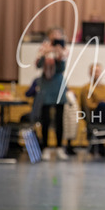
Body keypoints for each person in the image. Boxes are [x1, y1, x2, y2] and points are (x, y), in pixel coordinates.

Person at [36, 27, 68, 161]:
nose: (56, 36)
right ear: (49, 36)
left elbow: (62, 68)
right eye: (53, 34)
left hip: (58, 85)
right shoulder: (44, 48)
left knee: (59, 119)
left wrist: (58, 53)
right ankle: (45, 148)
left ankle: (59, 147)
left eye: (58, 34)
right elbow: (38, 65)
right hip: (46, 85)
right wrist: (45, 53)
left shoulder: (64, 49)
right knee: (45, 119)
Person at [80, 63, 105, 158]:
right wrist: (104, 103)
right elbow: (88, 105)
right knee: (103, 105)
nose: (96, 73)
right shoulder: (86, 88)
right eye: (94, 71)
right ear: (90, 73)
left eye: (98, 71)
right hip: (96, 116)